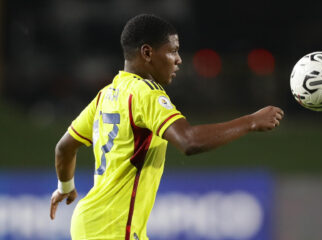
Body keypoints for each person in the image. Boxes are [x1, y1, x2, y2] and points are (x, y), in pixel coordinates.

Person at [49, 14, 284, 240]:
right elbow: (189, 141)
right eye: (172, 51)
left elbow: (64, 148)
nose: (179, 59)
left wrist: (65, 187)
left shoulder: (106, 95)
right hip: (114, 229)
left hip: (95, 225)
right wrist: (250, 121)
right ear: (147, 53)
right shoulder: (145, 93)